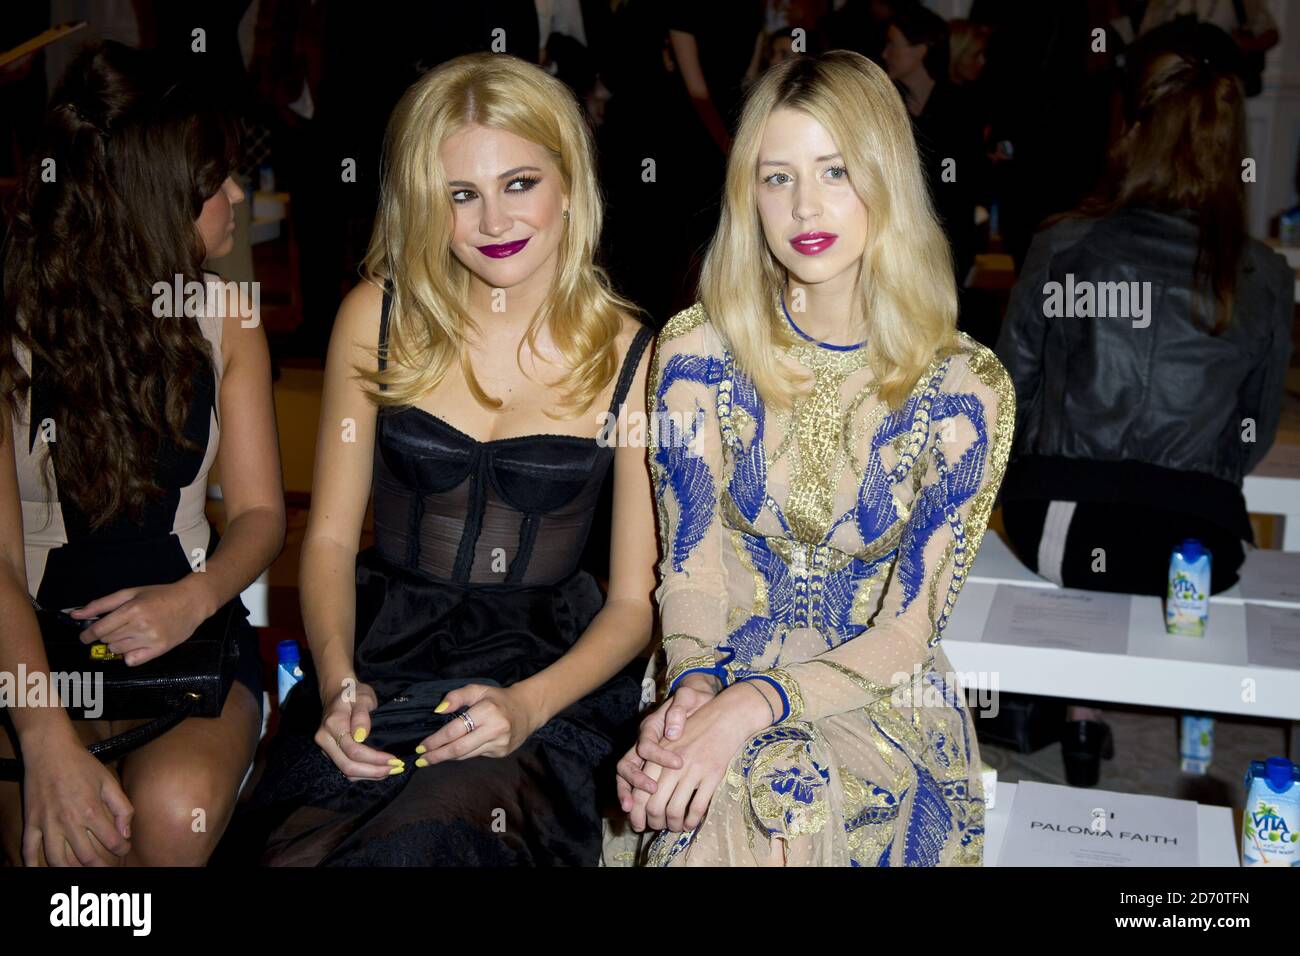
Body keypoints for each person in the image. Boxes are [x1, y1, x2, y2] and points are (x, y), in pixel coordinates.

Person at [237, 52, 657, 866]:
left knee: (426, 840)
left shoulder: (634, 357)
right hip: (380, 656)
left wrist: (530, 707)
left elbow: (634, 605)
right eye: (462, 195)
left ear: (570, 183)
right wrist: (333, 684)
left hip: (542, 678)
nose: (494, 220)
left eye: (520, 184)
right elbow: (324, 540)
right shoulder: (374, 316)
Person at [617, 51, 1014, 866]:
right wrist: (693, 689)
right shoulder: (697, 350)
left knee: (772, 789)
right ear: (747, 194)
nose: (804, 206)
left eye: (835, 171)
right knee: (722, 781)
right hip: (716, 659)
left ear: (885, 178)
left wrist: (754, 706)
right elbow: (689, 571)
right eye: (776, 177)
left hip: (873, 694)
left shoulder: (964, 388)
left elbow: (907, 631)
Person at [0, 40, 284, 866]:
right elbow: (4, 566)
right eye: (214, 183)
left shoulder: (228, 315)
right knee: (62, 843)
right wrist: (44, 735)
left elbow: (262, 515)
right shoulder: (14, 325)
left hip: (192, 631)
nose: (236, 195)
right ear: (153, 202)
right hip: (32, 653)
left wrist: (195, 598)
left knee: (167, 814)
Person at [994, 48, 1294, 785]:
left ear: (1133, 136)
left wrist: (1030, 473)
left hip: (1058, 530)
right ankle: (1117, 721)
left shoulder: (1063, 242)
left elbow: (1007, 393)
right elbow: (1253, 429)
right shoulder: (1263, 274)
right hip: (1198, 552)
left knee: (1090, 529)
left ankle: (1081, 718)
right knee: (1170, 528)